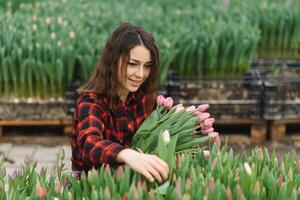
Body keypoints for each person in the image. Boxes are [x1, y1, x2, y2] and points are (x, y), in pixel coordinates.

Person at [71, 23, 169, 183]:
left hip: (136, 185)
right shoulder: (91, 101)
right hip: (94, 187)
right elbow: (89, 143)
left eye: (147, 66)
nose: (140, 74)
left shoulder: (144, 99)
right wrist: (127, 154)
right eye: (133, 64)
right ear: (113, 60)